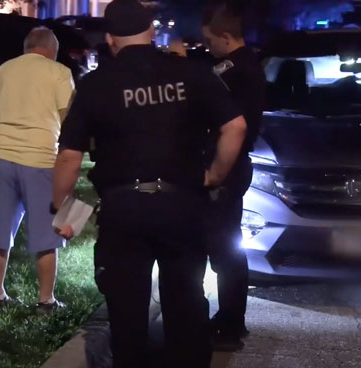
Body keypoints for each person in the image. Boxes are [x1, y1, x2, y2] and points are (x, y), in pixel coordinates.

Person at [52, 0, 247, 366]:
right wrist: (216, 175)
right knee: (187, 307)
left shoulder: (96, 84)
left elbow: (68, 156)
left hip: (124, 210)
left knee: (126, 314)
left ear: (110, 39)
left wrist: (59, 206)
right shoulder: (190, 73)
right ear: (152, 32)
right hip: (183, 205)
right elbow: (235, 126)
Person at [0, 27, 75, 312]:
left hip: (0, 158)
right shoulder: (59, 73)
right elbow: (68, 122)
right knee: (46, 234)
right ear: (52, 50)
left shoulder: (4, 70)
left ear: (27, 48)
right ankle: (46, 301)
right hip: (41, 159)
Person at [201, 4, 267, 351]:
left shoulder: (234, 68)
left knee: (224, 249)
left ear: (226, 38)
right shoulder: (247, 65)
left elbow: (204, 81)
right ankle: (231, 319)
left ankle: (229, 324)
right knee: (226, 246)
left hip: (227, 169)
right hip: (235, 167)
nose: (208, 46)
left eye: (210, 40)